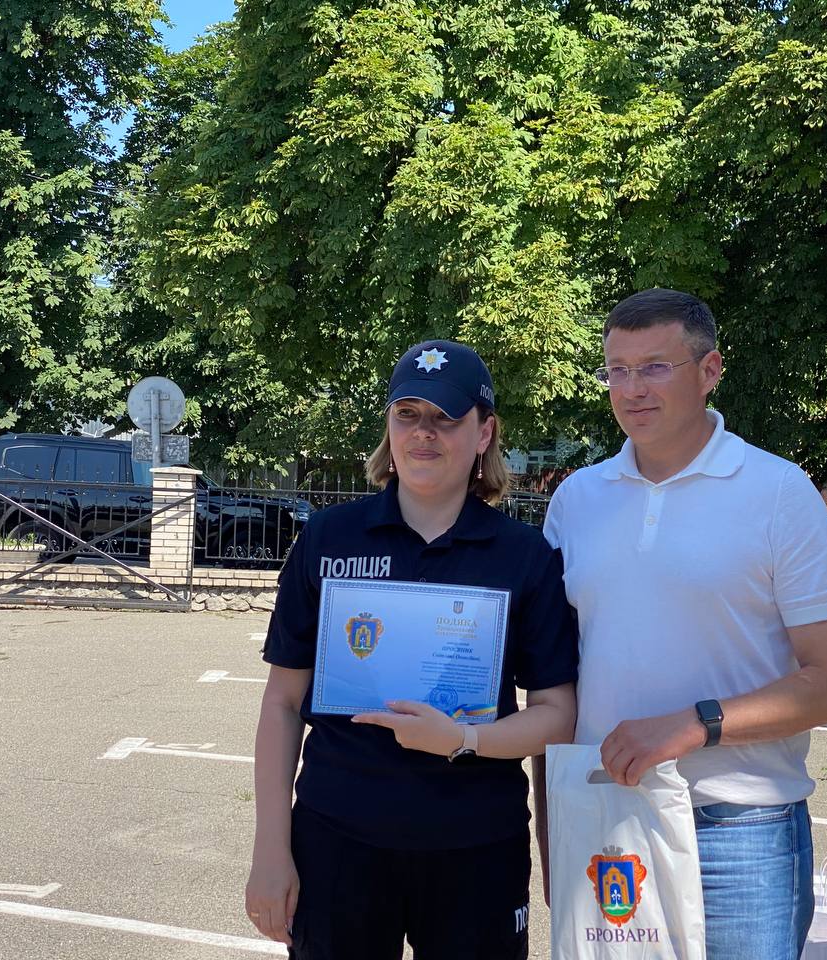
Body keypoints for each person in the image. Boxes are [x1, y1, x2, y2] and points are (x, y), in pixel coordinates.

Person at [540, 288, 827, 960]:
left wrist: (696, 723)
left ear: (710, 370)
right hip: (610, 816)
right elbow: (553, 684)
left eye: (655, 366)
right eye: (617, 369)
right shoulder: (577, 501)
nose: (632, 389)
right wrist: (552, 822)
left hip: (741, 826)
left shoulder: (778, 493)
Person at [246, 340, 578, 960]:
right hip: (337, 840)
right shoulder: (329, 538)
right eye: (408, 414)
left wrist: (463, 739)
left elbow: (557, 713)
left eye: (446, 418)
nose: (424, 434)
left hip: (476, 849)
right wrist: (271, 848)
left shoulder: (524, 556)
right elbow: (283, 703)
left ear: (484, 433)